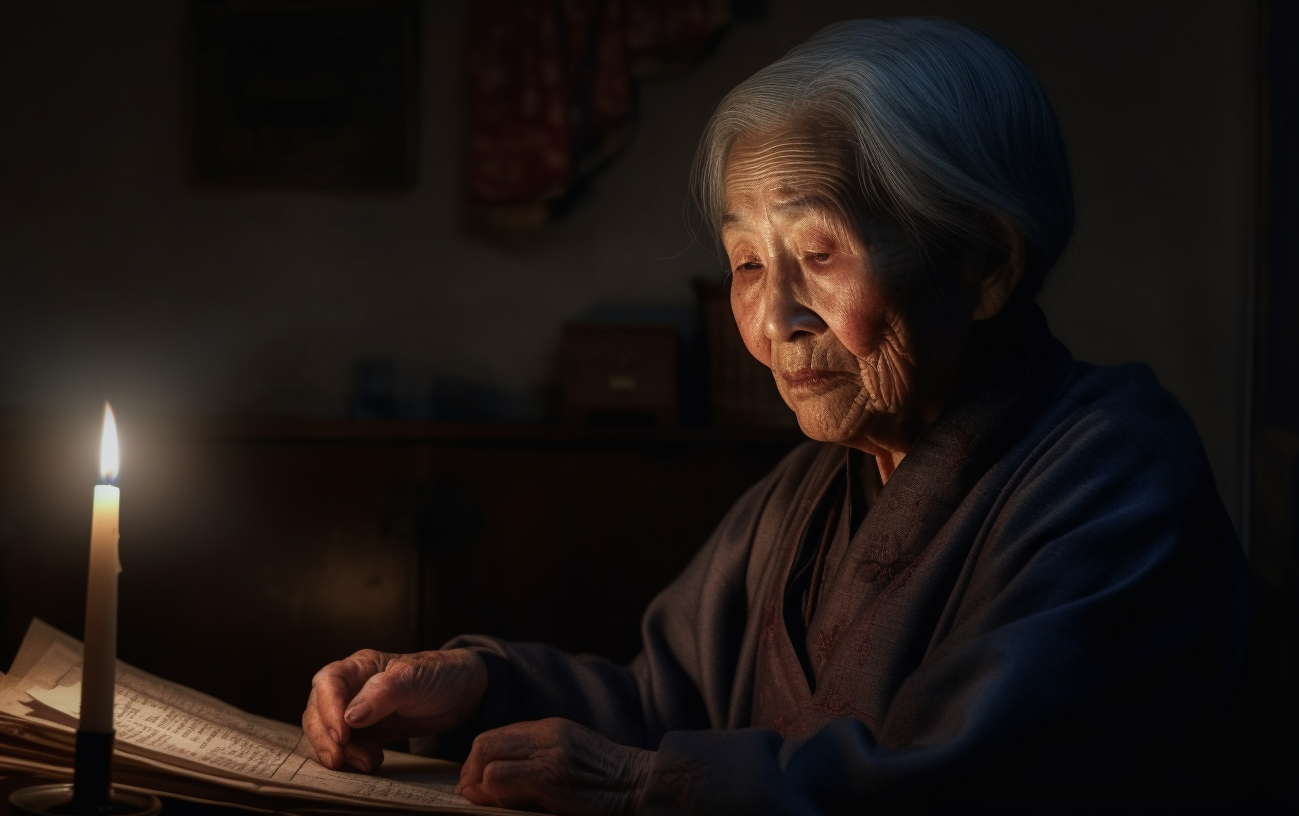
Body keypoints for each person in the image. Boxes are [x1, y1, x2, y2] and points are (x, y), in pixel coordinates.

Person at [302, 18, 1249, 815]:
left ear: (986, 266)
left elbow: (974, 781)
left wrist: (648, 789)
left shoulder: (1116, 469)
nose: (772, 321)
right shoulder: (812, 489)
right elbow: (662, 701)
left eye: (821, 254)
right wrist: (477, 683)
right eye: (748, 263)